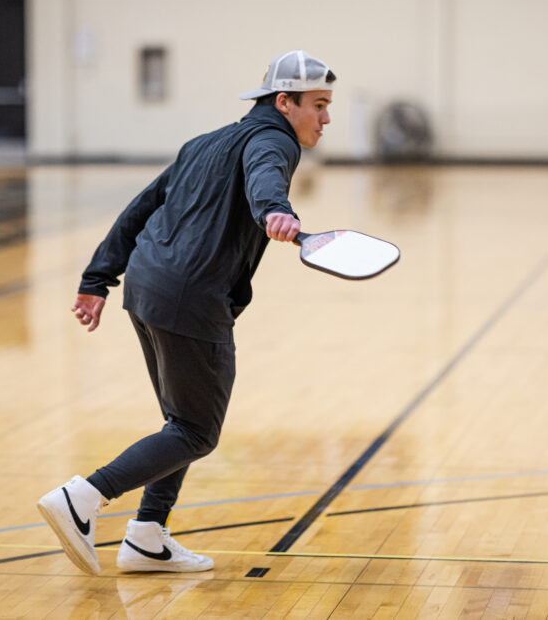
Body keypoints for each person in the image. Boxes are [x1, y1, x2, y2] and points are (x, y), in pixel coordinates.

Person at [37, 50, 335, 575]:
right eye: (319, 104)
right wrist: (275, 211)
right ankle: (83, 497)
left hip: (147, 285)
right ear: (284, 102)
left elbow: (141, 206)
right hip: (191, 297)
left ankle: (147, 536)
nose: (326, 118)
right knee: (196, 431)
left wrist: (96, 279)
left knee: (180, 421)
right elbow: (264, 178)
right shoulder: (275, 141)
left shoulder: (205, 142)